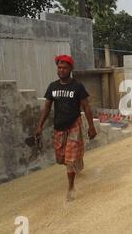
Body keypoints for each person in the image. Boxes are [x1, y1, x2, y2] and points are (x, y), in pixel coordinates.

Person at [36, 55, 97, 202]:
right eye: (59, 67)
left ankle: (70, 188)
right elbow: (46, 108)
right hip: (59, 127)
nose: (61, 70)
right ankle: (78, 163)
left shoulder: (77, 86)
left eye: (64, 67)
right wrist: (39, 126)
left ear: (71, 69)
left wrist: (91, 126)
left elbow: (86, 107)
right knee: (62, 158)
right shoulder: (52, 86)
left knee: (70, 160)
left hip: (74, 125)